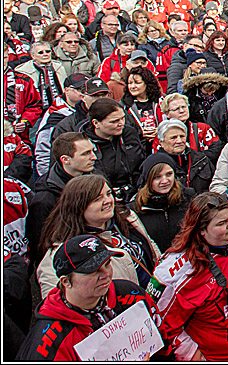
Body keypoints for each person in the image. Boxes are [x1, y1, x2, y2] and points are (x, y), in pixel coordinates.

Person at [148, 192, 228, 361]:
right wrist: (193, 355)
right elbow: (160, 323)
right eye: (222, 223)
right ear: (201, 229)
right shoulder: (178, 271)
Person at [17, 235, 152, 361]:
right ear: (66, 281)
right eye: (94, 271)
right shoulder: (48, 344)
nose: (106, 274)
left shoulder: (130, 293)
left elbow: (163, 342)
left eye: (107, 264)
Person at [36, 174, 159, 296]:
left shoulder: (126, 217)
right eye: (98, 199)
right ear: (78, 206)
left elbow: (150, 245)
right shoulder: (62, 252)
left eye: (108, 194)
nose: (107, 201)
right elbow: (54, 301)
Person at [26, 131, 97, 265]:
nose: (94, 157)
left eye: (92, 151)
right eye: (86, 153)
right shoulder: (45, 200)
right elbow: (40, 246)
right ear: (65, 159)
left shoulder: (93, 176)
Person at [81, 97, 147, 203]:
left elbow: (141, 160)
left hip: (137, 193)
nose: (121, 123)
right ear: (96, 123)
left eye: (122, 118)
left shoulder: (129, 133)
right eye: (114, 121)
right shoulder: (84, 144)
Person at [131, 152, 197, 253]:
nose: (165, 181)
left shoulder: (188, 197)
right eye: (157, 177)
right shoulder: (136, 209)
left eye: (169, 174)